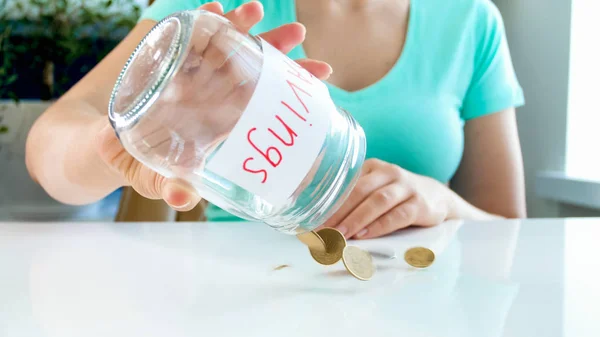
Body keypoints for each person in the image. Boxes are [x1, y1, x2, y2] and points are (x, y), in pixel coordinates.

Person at [25, 0, 527, 240]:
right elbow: (49, 146)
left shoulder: (470, 20)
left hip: (431, 308)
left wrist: (442, 200)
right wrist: (125, 146)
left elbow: (513, 234)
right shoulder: (213, 12)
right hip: (248, 304)